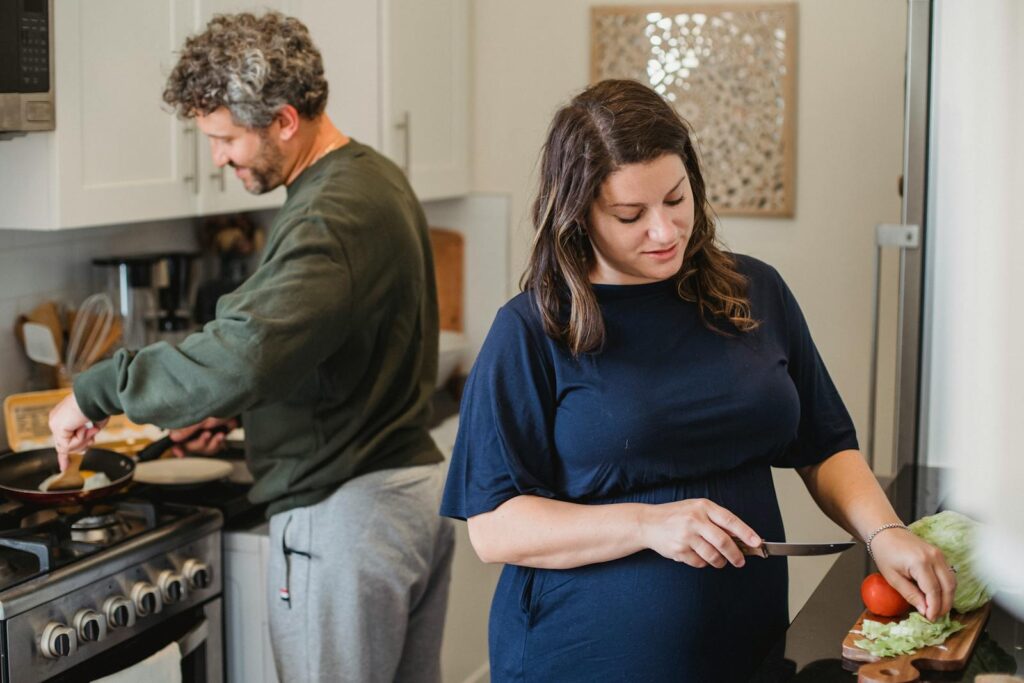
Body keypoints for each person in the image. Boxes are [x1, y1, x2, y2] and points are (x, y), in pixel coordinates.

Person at [440, 79, 956, 682]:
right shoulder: (532, 330)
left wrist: (885, 532)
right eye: (630, 215)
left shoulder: (754, 291)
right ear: (578, 215)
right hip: (583, 656)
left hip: (749, 641)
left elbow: (824, 446)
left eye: (676, 199)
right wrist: (647, 523)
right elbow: (495, 527)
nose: (665, 232)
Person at [49, 12, 454, 683]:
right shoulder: (368, 179)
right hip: (397, 497)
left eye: (227, 137)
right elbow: (320, 350)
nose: (218, 158)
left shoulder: (333, 212)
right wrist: (239, 415)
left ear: (285, 121)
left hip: (346, 517)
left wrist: (94, 389)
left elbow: (243, 353)